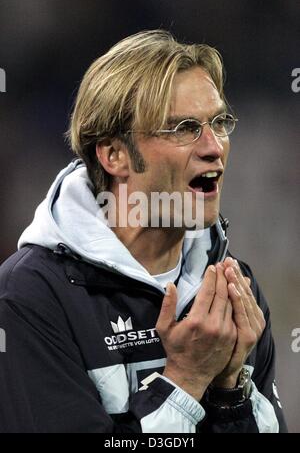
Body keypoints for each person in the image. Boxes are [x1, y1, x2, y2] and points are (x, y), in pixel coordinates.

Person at [0, 30, 287, 433]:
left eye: (219, 122)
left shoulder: (231, 290)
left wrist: (229, 394)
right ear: (114, 154)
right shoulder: (31, 298)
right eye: (184, 128)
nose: (214, 146)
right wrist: (184, 382)